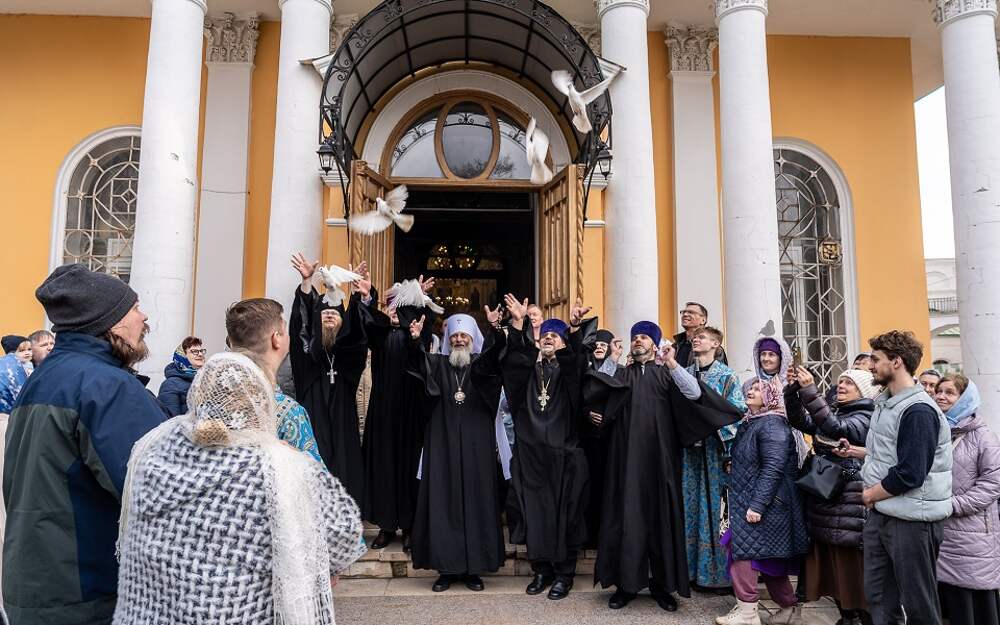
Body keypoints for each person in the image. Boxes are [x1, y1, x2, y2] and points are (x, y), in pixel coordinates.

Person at [113, 352, 367, 624]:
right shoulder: (276, 464)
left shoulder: (159, 452)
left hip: (177, 604)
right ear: (257, 403)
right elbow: (339, 534)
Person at [3, 264, 167, 624]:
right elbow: (158, 493)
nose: (143, 317)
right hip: (88, 593)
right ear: (111, 323)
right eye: (135, 308)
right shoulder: (106, 386)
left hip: (34, 587)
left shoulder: (44, 378)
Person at [587, 321, 743, 611]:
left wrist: (671, 363)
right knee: (626, 519)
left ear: (654, 344)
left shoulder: (666, 374)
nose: (638, 341)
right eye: (635, 337)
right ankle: (625, 586)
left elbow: (694, 393)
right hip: (625, 463)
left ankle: (661, 586)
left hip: (661, 461)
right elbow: (596, 390)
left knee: (662, 520)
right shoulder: (621, 373)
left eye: (645, 337)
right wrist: (611, 359)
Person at [849, 330, 952, 625]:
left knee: (919, 605)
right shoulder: (887, 402)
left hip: (912, 522)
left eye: (876, 359)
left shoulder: (918, 411)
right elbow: (885, 454)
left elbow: (911, 473)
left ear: (896, 362)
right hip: (884, 513)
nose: (871, 366)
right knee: (879, 598)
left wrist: (870, 494)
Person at [406, 310, 507, 592]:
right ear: (448, 339)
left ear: (473, 339)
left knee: (476, 501)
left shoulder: (482, 365)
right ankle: (446, 569)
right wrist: (415, 341)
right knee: (443, 501)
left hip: (476, 445)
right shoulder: (438, 364)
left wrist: (496, 328)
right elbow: (416, 364)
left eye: (464, 336)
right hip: (443, 443)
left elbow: (499, 355)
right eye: (455, 336)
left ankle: (474, 569)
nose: (459, 340)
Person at [501, 295, 593, 600]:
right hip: (530, 457)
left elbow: (577, 362)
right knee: (534, 513)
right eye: (545, 334)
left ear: (563, 343)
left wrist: (575, 328)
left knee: (565, 515)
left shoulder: (569, 373)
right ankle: (541, 570)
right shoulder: (527, 371)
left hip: (563, 455)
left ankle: (564, 575)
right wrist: (518, 324)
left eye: (556, 335)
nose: (549, 338)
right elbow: (514, 357)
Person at [786, 366, 879, 625]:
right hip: (827, 502)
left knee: (853, 571)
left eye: (849, 383)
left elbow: (837, 428)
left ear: (864, 391)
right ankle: (846, 618)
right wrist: (794, 391)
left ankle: (864, 619)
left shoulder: (866, 415)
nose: (842, 386)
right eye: (841, 381)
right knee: (834, 570)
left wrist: (809, 391)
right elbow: (800, 420)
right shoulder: (835, 410)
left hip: (849, 506)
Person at [717, 379, 809, 625]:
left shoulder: (772, 425)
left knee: (743, 554)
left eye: (758, 389)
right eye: (751, 388)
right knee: (766, 558)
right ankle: (788, 609)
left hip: (766, 504)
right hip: (755, 499)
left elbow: (773, 468)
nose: (750, 391)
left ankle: (747, 613)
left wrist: (757, 505)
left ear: (772, 396)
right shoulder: (754, 421)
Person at [360, 277, 438, 551]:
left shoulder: (416, 334)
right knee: (384, 467)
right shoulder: (381, 335)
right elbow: (366, 324)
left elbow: (422, 361)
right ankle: (386, 526)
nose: (392, 311)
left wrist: (419, 302)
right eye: (389, 306)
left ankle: (410, 527)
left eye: (398, 307)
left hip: (410, 414)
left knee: (408, 468)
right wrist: (367, 297)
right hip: (383, 412)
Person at [288, 253, 369, 502]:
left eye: (335, 314)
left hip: (343, 415)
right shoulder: (308, 356)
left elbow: (358, 334)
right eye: (325, 315)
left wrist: (357, 295)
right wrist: (306, 283)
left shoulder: (348, 355)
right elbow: (299, 326)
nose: (330, 317)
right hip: (315, 414)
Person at [682, 326, 746, 593]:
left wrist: (711, 427)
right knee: (689, 509)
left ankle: (718, 576)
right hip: (689, 453)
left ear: (716, 344)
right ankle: (689, 572)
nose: (696, 340)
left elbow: (737, 411)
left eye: (702, 337)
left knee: (716, 512)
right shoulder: (685, 374)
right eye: (695, 337)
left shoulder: (728, 376)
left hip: (715, 452)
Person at [933, 374, 1000, 625]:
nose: (941, 396)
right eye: (939, 390)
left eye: (949, 392)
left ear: (965, 398)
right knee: (947, 601)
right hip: (942, 530)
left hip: (971, 533)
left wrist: (951, 505)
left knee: (971, 601)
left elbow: (992, 484)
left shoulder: (983, 436)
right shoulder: (938, 431)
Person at [225, 297, 324, 464]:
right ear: (276, 338)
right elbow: (316, 476)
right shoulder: (289, 413)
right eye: (285, 330)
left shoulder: (211, 403)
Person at [581, 328, 620, 548]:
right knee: (587, 487)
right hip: (586, 438)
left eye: (604, 345)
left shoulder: (620, 370)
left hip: (610, 438)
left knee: (608, 487)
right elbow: (577, 399)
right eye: (596, 345)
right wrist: (586, 413)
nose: (599, 348)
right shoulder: (583, 371)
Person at [156, 336, 206, 417]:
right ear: (183, 356)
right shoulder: (170, 385)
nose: (200, 354)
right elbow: (170, 420)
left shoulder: (207, 380)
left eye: (201, 351)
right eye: (194, 351)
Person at [672, 302, 728, 367]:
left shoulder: (713, 348)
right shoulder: (675, 346)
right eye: (683, 312)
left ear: (703, 320)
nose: (685, 314)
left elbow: (718, 372)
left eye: (691, 312)